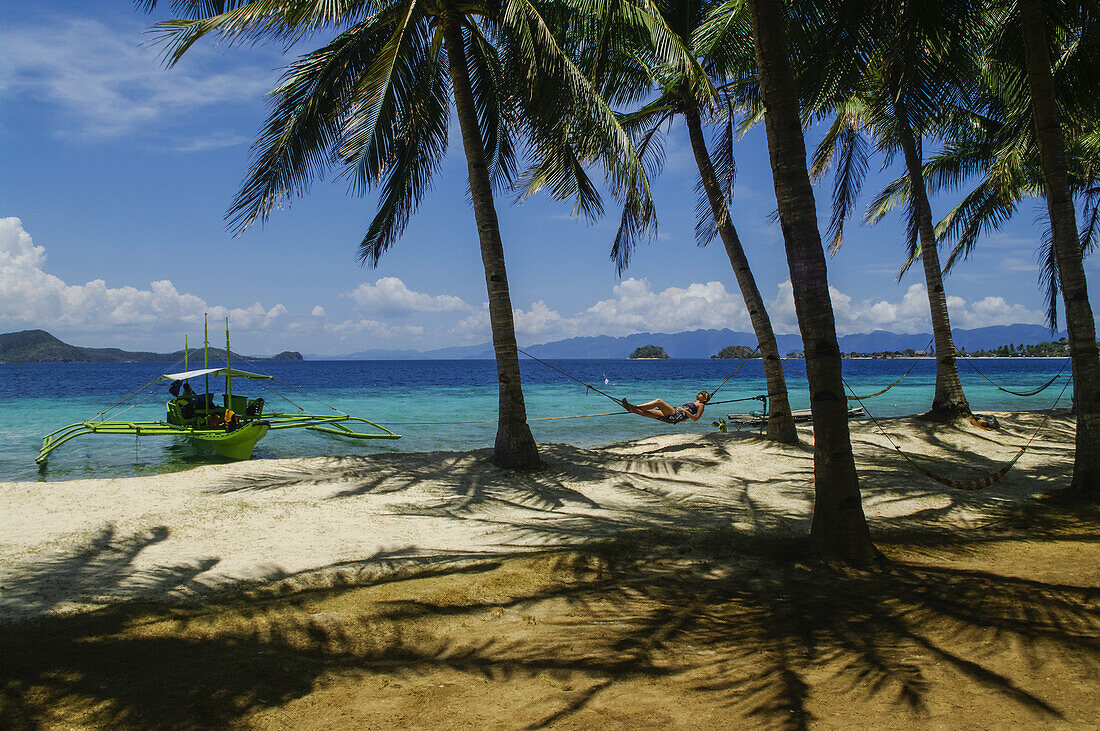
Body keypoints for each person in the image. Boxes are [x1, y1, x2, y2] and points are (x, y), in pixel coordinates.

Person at [621, 390, 711, 424]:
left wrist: (684, 411)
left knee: (658, 401)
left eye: (702, 393)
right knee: (648, 412)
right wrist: (685, 417)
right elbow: (688, 416)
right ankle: (631, 408)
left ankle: (633, 406)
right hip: (674, 415)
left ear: (704, 399)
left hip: (676, 414)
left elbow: (695, 419)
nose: (700, 393)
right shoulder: (694, 402)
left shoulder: (701, 405)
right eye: (700, 392)